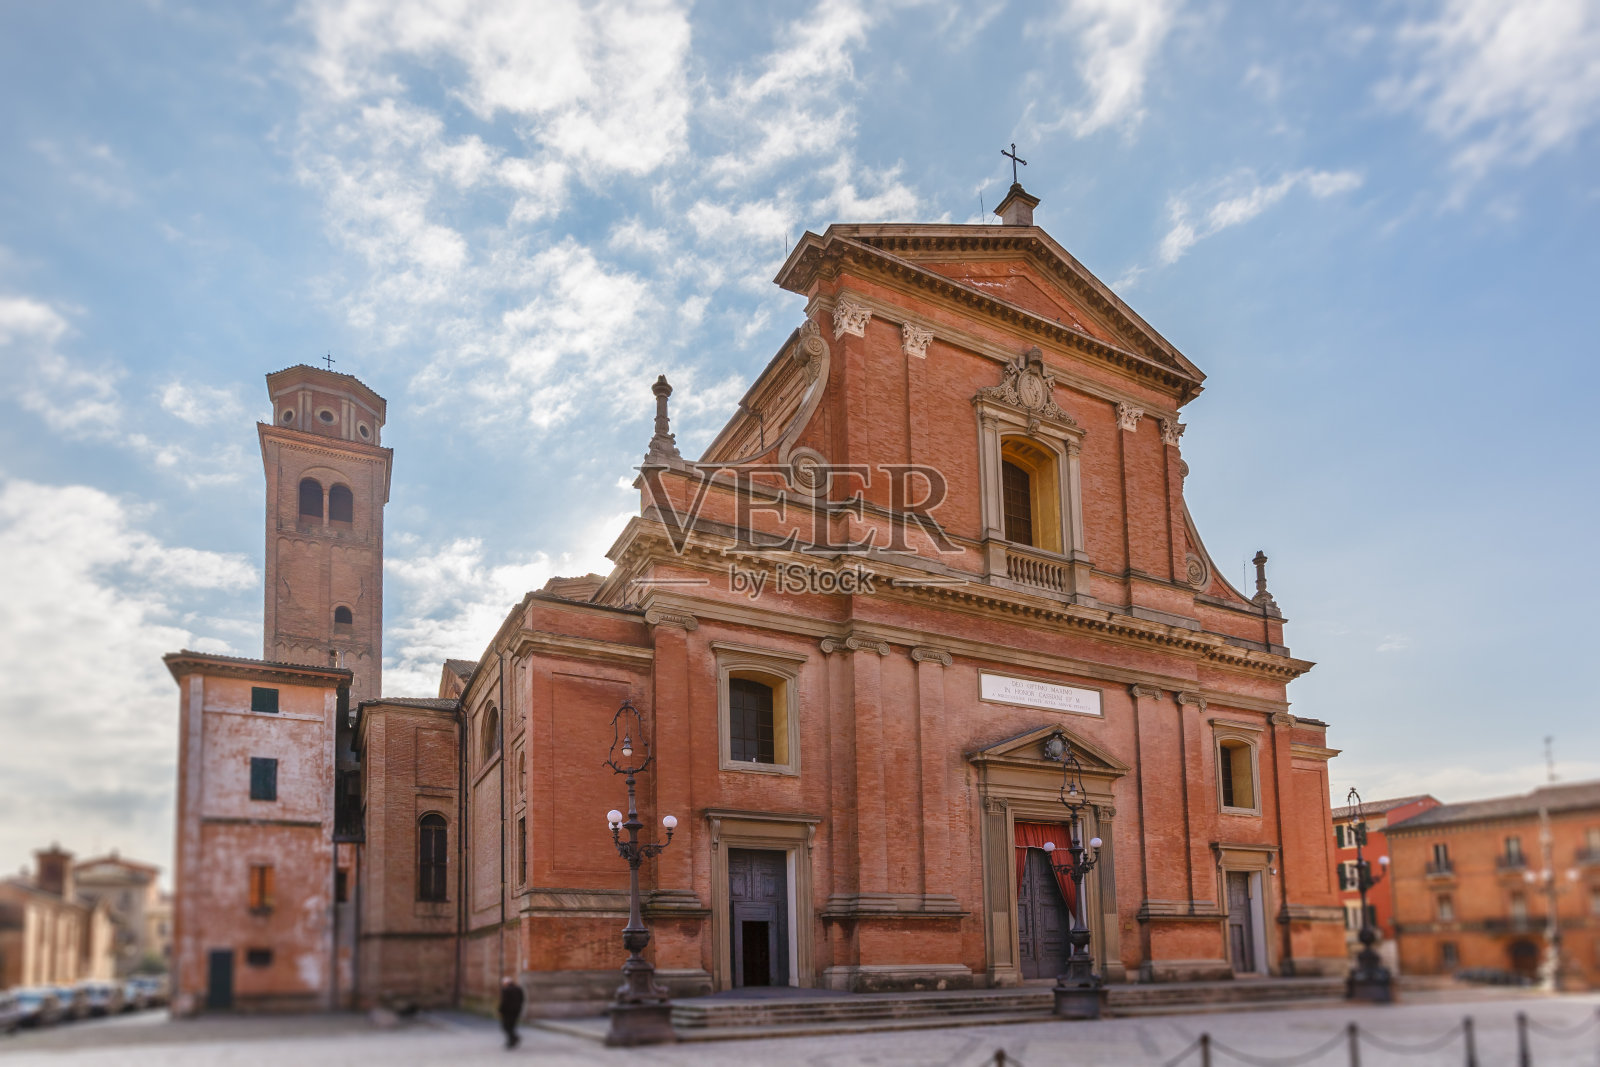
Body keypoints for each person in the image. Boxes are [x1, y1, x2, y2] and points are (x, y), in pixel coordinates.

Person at [497, 976, 525, 1050]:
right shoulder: (518, 989)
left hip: (507, 1012)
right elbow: (522, 999)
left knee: (506, 1026)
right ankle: (512, 1040)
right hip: (516, 1011)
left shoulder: (506, 990)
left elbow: (504, 1002)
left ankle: (513, 1039)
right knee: (511, 1026)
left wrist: (500, 1010)